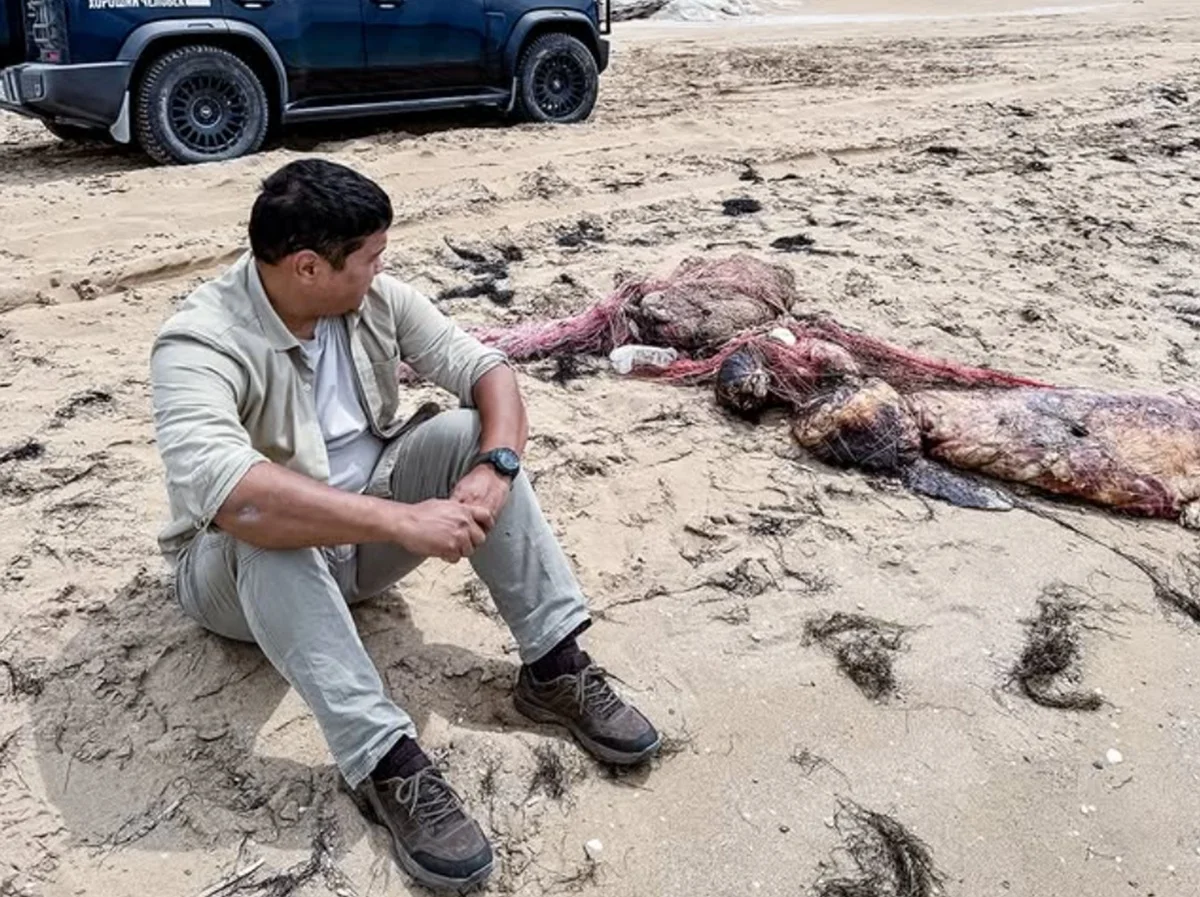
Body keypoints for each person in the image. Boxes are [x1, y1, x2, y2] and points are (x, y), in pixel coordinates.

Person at [148, 158, 661, 892]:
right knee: (263, 527)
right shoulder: (198, 341)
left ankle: (554, 669)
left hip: (363, 542)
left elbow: (487, 370)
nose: (381, 268)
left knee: (465, 433)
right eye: (371, 256)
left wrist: (497, 466)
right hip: (237, 579)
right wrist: (403, 520)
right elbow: (238, 498)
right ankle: (386, 762)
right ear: (307, 267)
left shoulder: (371, 299)